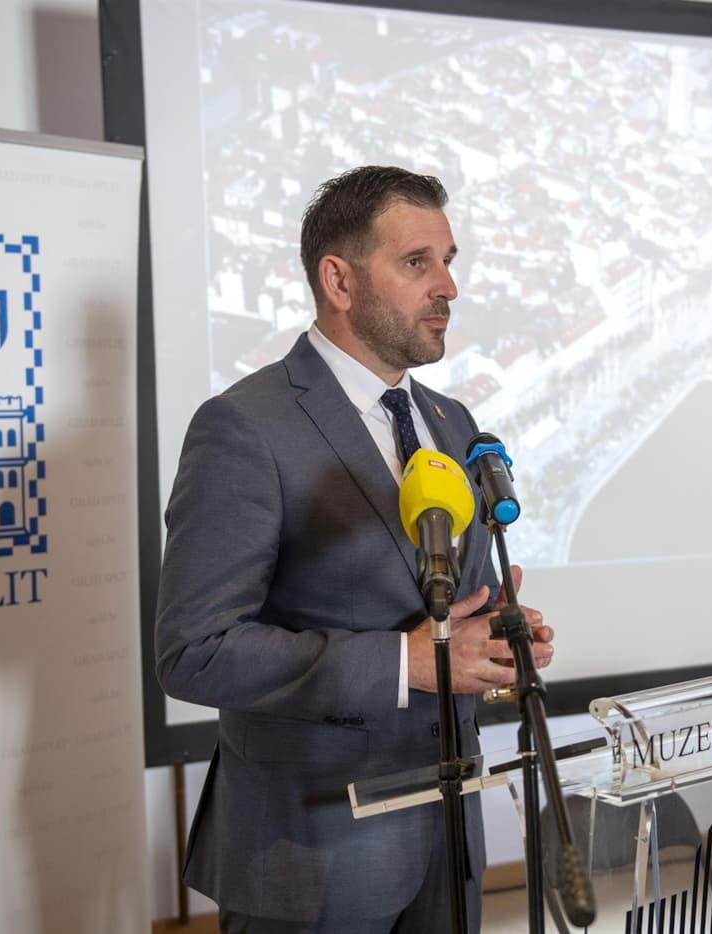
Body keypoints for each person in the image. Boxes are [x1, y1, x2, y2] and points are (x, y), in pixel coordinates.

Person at [156, 165, 555, 933]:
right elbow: (194, 651)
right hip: (311, 854)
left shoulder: (454, 421)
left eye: (449, 261)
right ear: (338, 280)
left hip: (449, 840)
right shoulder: (245, 426)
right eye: (417, 262)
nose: (448, 286)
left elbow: (447, 614)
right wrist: (403, 663)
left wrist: (496, 638)